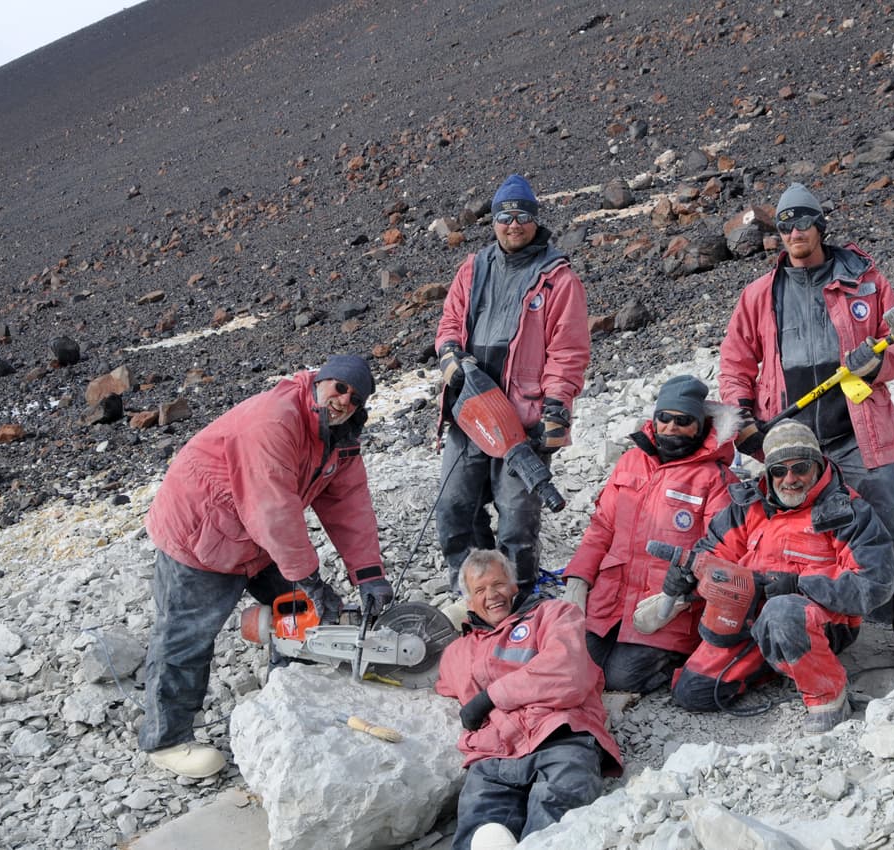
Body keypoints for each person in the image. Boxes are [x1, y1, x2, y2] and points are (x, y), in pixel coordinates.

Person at [139, 355, 394, 779]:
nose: (343, 401)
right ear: (321, 381)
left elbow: (348, 503)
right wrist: (310, 578)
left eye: (354, 398)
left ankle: (289, 687)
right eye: (339, 388)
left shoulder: (339, 435)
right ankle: (167, 740)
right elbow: (271, 508)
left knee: (298, 608)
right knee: (186, 635)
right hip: (201, 533)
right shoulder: (274, 420)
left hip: (258, 538)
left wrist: (369, 573)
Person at [719, 181, 894, 668]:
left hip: (856, 433)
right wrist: (743, 416)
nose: (794, 231)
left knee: (891, 521)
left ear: (820, 225)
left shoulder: (865, 281)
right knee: (790, 530)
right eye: (785, 224)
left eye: (803, 221)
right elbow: (735, 363)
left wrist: (875, 366)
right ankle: (813, 621)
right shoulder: (759, 295)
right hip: (790, 439)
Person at [670, 421, 894, 733]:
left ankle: (829, 696)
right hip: (751, 616)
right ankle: (779, 661)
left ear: (817, 465)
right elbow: (715, 554)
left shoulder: (847, 511)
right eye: (779, 471)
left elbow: (875, 582)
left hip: (820, 621)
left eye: (800, 467)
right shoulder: (748, 506)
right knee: (692, 692)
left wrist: (800, 584)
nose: (790, 479)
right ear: (768, 473)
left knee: (782, 613)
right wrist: (688, 574)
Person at [435, 173, 591, 600]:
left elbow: (568, 351)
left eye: (522, 216)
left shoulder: (558, 279)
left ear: (535, 220)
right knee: (454, 507)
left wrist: (556, 408)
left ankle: (518, 596)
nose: (513, 224)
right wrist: (449, 353)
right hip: (469, 410)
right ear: (494, 222)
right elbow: (450, 320)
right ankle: (470, 593)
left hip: (524, 420)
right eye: (505, 217)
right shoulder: (474, 268)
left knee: (517, 517)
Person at [436, 549, 623, 850]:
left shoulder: (555, 614)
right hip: (493, 756)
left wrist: (490, 697)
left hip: (561, 737)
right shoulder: (456, 653)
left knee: (554, 831)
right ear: (468, 601)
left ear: (514, 586)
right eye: (480, 590)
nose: (492, 595)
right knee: (478, 835)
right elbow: (440, 686)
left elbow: (568, 674)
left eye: (498, 584)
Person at [561, 375, 737, 693]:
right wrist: (578, 579)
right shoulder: (631, 462)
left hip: (663, 606)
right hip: (610, 598)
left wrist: (683, 596)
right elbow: (602, 528)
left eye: (683, 421)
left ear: (700, 426)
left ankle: (680, 660)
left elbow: (724, 552)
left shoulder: (715, 478)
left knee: (620, 678)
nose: (671, 427)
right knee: (576, 662)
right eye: (664, 418)